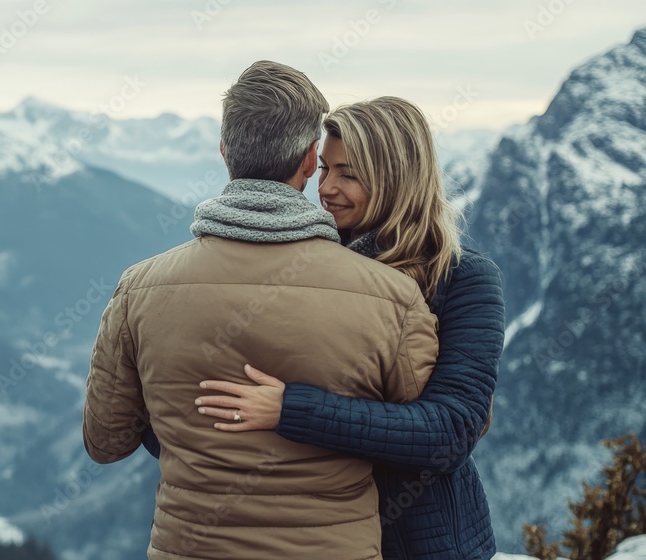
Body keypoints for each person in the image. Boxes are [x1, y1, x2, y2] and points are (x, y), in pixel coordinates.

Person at [82, 61, 440, 560]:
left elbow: (105, 441)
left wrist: (191, 427)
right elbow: (431, 429)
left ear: (225, 150)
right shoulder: (394, 298)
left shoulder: (138, 290)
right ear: (311, 160)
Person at [191, 96, 506, 560]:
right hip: (317, 535)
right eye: (323, 170)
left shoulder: (463, 278)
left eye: (349, 174)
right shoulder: (307, 265)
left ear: (397, 179)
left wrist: (291, 409)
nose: (327, 188)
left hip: (423, 542)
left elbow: (450, 432)